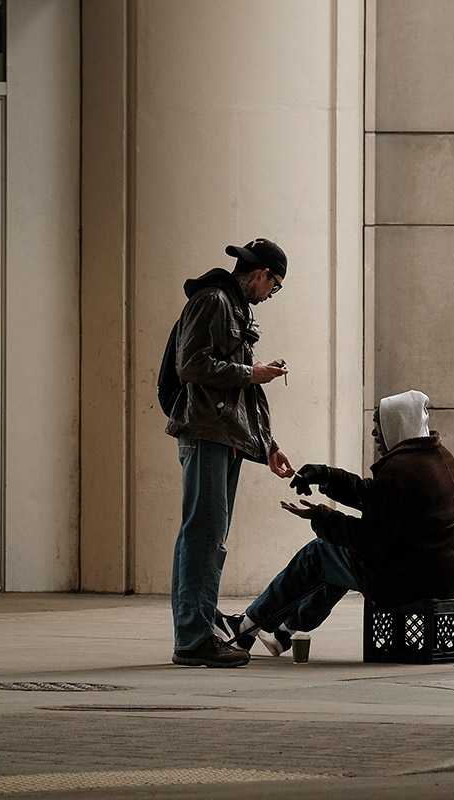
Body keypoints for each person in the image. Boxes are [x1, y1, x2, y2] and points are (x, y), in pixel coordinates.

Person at [216, 389, 454, 657]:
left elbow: (369, 541)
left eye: (378, 424)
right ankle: (284, 631)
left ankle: (244, 628)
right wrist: (325, 476)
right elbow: (377, 498)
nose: (374, 433)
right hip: (443, 574)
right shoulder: (436, 457)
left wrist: (321, 517)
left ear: (396, 425)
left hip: (410, 580)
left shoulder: (400, 471)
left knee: (320, 553)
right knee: (340, 558)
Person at [166, 238, 294, 668]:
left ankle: (196, 631)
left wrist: (269, 446)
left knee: (206, 537)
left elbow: (243, 392)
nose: (270, 295)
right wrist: (251, 372)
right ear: (262, 274)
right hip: (205, 433)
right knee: (203, 536)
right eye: (274, 286)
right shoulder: (213, 301)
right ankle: (195, 637)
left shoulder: (235, 308)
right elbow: (190, 365)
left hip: (224, 436)